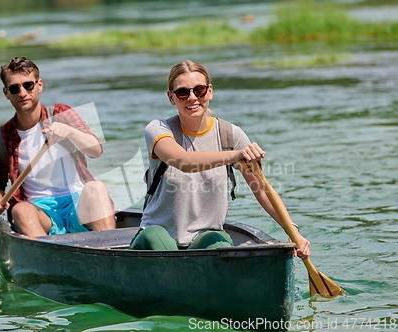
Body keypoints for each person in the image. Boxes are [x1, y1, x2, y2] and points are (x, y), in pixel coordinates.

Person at [130, 60, 310, 258]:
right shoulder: (158, 129)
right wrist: (235, 155)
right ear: (171, 98)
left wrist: (293, 232)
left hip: (204, 237)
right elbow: (182, 161)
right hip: (155, 237)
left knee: (217, 240)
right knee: (156, 236)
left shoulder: (231, 135)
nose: (192, 98)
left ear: (210, 92)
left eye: (199, 90)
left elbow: (262, 191)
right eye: (183, 93)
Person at [0, 57, 116, 237]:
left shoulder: (61, 113)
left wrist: (69, 132)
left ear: (39, 85)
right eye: (15, 88)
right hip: (40, 211)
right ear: (6, 93)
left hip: (78, 203)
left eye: (28, 85)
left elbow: (96, 150)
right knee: (20, 210)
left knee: (96, 188)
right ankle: (50, 256)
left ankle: (108, 252)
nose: (22, 93)